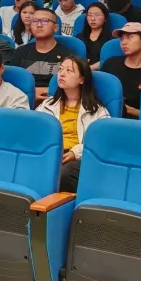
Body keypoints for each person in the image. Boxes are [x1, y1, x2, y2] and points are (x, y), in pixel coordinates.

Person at [37, 55, 110, 191]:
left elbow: (101, 141)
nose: (62, 74)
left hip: (75, 158)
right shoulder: (48, 104)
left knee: (64, 173)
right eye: (60, 69)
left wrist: (74, 153)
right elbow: (35, 130)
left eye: (69, 71)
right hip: (48, 153)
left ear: (82, 79)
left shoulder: (96, 110)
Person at [99, 22, 141, 117]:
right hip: (106, 118)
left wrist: (130, 110)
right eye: (122, 38)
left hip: (137, 125)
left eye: (130, 37)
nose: (123, 42)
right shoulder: (110, 64)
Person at [12, 8, 70, 102]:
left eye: (44, 21)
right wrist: (30, 93)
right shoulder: (20, 52)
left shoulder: (68, 55)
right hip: (23, 100)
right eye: (34, 21)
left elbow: (73, 84)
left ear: (56, 27)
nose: (39, 25)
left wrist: (49, 91)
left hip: (57, 101)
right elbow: (12, 81)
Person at [77, 1, 110, 67]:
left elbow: (108, 60)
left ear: (105, 18)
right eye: (89, 15)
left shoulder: (110, 39)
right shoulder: (79, 37)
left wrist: (88, 70)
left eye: (97, 15)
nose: (93, 19)